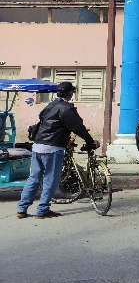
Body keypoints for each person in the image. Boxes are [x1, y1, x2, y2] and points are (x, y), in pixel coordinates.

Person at [17, 82, 99, 219]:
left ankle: (21, 209)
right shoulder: (66, 108)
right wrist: (90, 141)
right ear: (70, 93)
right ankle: (42, 210)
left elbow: (49, 125)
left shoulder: (51, 105)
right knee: (50, 179)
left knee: (34, 178)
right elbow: (78, 127)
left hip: (37, 146)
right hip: (52, 148)